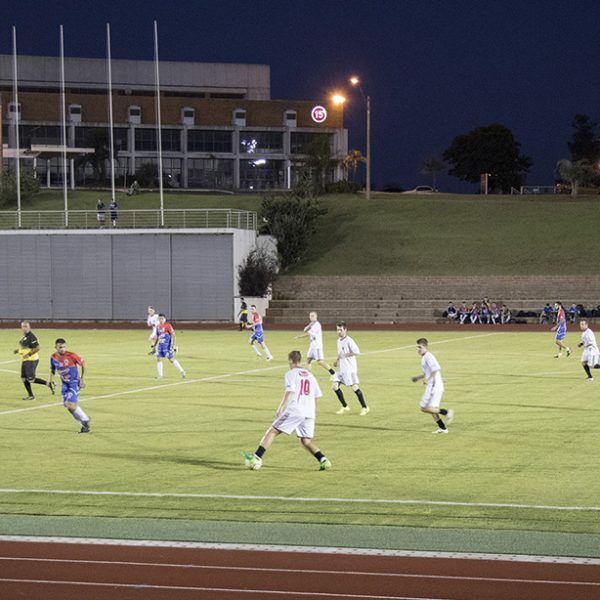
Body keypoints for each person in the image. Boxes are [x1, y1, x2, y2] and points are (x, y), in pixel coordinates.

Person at [243, 350, 332, 471]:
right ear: (299, 360)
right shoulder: (311, 375)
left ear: (291, 361)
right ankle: (323, 460)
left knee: (272, 431)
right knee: (305, 441)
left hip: (295, 410)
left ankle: (256, 457)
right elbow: (316, 396)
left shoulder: (291, 374)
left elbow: (290, 391)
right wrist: (312, 413)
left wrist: (281, 407)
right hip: (310, 412)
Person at [411, 338, 454, 434]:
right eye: (417, 347)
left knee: (424, 408)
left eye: (419, 347)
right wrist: (418, 378)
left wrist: (428, 380)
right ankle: (443, 428)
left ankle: (446, 412)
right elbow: (427, 372)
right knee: (432, 410)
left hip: (434, 387)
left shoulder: (428, 356)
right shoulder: (424, 357)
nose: (417, 349)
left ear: (425, 347)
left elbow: (436, 369)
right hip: (434, 387)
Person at [49, 338, 90, 433]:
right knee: (69, 407)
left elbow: (83, 364)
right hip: (64, 384)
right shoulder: (53, 357)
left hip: (74, 383)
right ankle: (84, 424)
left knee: (71, 406)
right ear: (56, 347)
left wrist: (82, 379)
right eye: (60, 347)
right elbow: (52, 370)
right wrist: (50, 381)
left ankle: (85, 420)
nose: (62, 349)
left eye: (64, 347)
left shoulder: (71, 355)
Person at [332, 321, 368, 415]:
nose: (339, 332)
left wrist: (346, 354)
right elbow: (340, 353)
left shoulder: (349, 340)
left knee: (355, 387)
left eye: (340, 330)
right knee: (335, 386)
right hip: (342, 369)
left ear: (345, 330)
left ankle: (364, 407)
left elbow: (357, 352)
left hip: (350, 369)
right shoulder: (338, 341)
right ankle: (345, 406)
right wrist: (337, 361)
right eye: (337, 330)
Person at [14, 321, 55, 401]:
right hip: (25, 360)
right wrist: (18, 351)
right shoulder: (25, 336)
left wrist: (29, 354)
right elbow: (25, 348)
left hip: (31, 360)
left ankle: (49, 384)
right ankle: (31, 395)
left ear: (29, 327)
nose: (25, 328)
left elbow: (37, 348)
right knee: (23, 378)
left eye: (26, 326)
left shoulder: (31, 336)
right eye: (23, 326)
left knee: (31, 379)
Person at [151, 314, 186, 378]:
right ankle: (160, 375)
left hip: (167, 346)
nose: (161, 320)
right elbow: (157, 337)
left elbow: (173, 335)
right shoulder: (158, 327)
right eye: (159, 318)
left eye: (162, 318)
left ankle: (182, 371)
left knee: (171, 359)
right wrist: (154, 346)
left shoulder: (168, 325)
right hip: (160, 346)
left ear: (164, 319)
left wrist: (174, 345)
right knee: (158, 359)